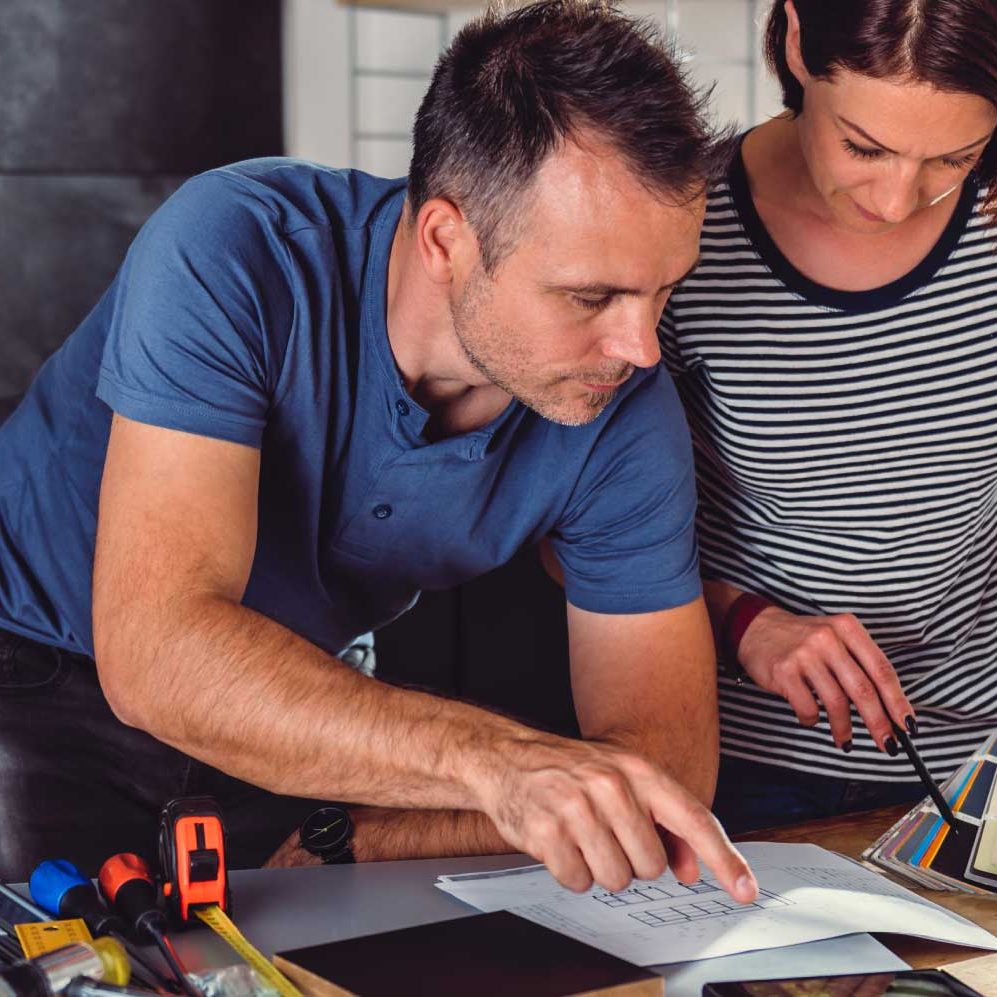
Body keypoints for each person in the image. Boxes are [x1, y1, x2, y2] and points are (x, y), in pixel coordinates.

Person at [0, 0, 759, 901]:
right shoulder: (236, 247)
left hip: (298, 726)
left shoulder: (625, 408)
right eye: (590, 296)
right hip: (35, 679)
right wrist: (495, 762)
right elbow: (160, 656)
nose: (640, 346)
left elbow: (661, 769)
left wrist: (361, 834)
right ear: (446, 239)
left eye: (662, 289)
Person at [659, 0, 997, 833]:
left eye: (951, 156)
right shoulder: (675, 233)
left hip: (976, 766)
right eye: (862, 146)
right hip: (749, 764)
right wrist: (746, 621)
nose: (895, 199)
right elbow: (573, 537)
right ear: (798, 38)